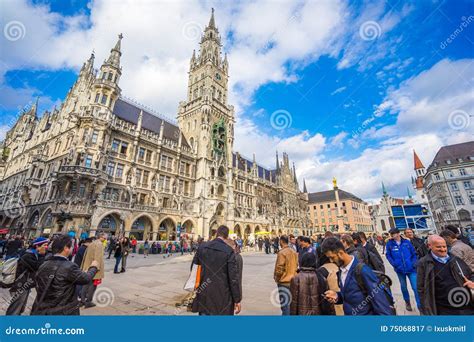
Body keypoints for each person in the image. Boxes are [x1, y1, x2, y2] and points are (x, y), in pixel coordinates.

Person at [322, 237, 394, 315]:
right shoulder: (341, 271)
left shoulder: (362, 271)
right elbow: (351, 295)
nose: (331, 261)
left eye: (332, 257)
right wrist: (337, 296)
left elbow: (380, 303)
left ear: (340, 253)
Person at [31, 234, 99, 315]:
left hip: (42, 308)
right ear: (66, 248)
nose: (73, 248)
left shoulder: (44, 264)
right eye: (71, 246)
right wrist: (93, 267)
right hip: (62, 310)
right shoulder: (69, 266)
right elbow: (86, 279)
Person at [417, 235, 474, 315]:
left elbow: (470, 274)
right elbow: (421, 288)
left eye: (444, 246)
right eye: (438, 247)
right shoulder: (424, 263)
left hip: (466, 307)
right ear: (430, 246)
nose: (443, 249)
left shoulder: (455, 259)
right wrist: (426, 311)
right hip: (444, 309)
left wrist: (471, 282)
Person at [191, 225, 241, 315]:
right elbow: (233, 278)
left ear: (216, 233)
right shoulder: (229, 251)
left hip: (204, 294)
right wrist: (237, 299)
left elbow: (194, 269)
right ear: (226, 237)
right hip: (222, 298)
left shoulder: (202, 247)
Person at [6, 237, 49, 315]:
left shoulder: (34, 254)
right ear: (37, 246)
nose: (47, 247)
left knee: (20, 308)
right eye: (45, 245)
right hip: (21, 285)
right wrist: (42, 255)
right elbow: (38, 267)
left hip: (26, 284)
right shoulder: (28, 255)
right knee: (15, 309)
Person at [385, 228, 420, 311]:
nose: (392, 236)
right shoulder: (389, 244)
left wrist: (413, 263)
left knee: (415, 287)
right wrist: (394, 264)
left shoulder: (407, 242)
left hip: (411, 269)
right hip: (399, 270)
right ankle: (407, 302)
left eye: (393, 234)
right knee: (403, 287)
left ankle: (420, 306)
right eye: (391, 234)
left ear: (398, 234)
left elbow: (414, 254)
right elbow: (388, 255)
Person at [273, 235, 298, 315]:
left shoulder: (282, 252)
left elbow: (279, 268)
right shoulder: (293, 251)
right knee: (291, 304)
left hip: (284, 281)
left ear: (281, 241)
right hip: (293, 280)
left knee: (285, 305)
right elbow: (297, 264)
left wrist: (277, 278)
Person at [80, 233, 106, 308]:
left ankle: (82, 300)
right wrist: (96, 268)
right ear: (101, 237)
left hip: (87, 266)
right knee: (93, 285)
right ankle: (88, 301)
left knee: (86, 284)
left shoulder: (92, 243)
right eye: (104, 238)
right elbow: (98, 257)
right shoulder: (99, 244)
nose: (105, 239)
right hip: (94, 268)